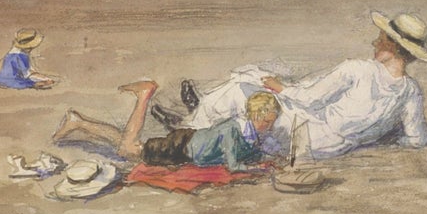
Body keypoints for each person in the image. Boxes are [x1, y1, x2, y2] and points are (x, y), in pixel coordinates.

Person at [184, 11, 427, 159]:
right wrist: (380, 135)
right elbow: (417, 139)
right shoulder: (410, 90)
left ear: (393, 47)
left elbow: (311, 99)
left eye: (380, 40)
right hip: (330, 148)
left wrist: (279, 87)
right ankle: (203, 111)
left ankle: (191, 129)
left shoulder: (358, 69)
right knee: (261, 89)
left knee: (241, 87)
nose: (374, 43)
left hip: (302, 133)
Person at [54, 81, 281, 172]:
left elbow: (248, 151)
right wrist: (260, 168)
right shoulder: (234, 130)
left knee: (128, 144)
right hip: (180, 148)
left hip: (187, 142)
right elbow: (233, 165)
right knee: (128, 149)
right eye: (267, 121)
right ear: (255, 115)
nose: (269, 126)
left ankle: (78, 121)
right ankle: (144, 96)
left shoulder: (249, 131)